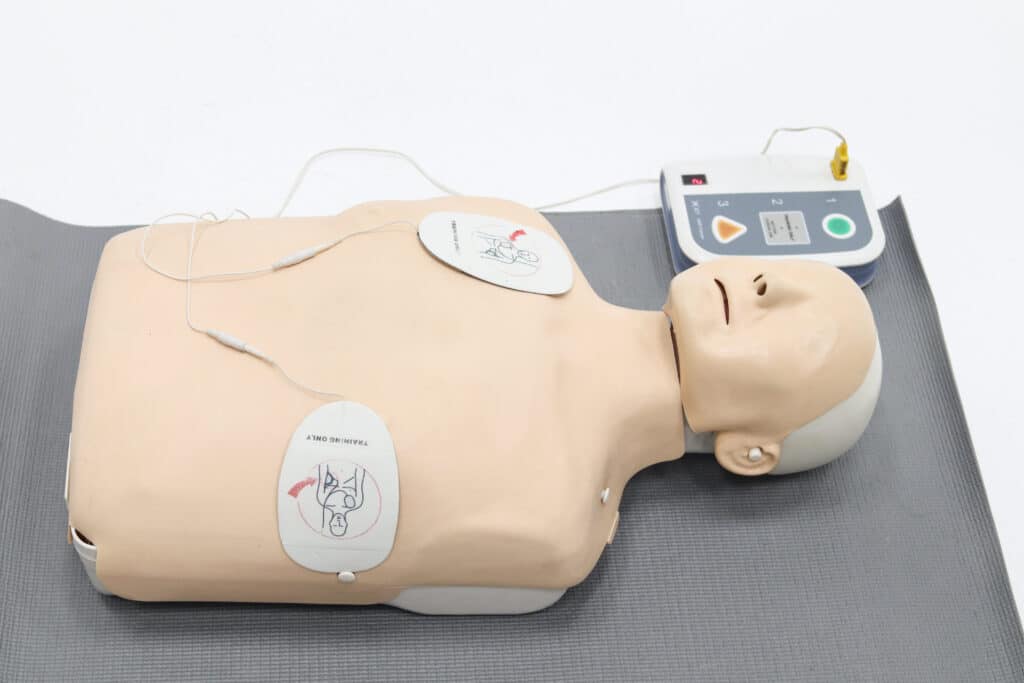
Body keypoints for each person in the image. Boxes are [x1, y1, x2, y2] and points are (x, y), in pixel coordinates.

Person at [66, 197, 880, 613]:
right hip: (157, 276)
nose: (765, 283)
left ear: (749, 450)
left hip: (142, 474)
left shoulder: (553, 527)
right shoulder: (521, 235)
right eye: (786, 273)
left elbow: (375, 568)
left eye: (800, 329)